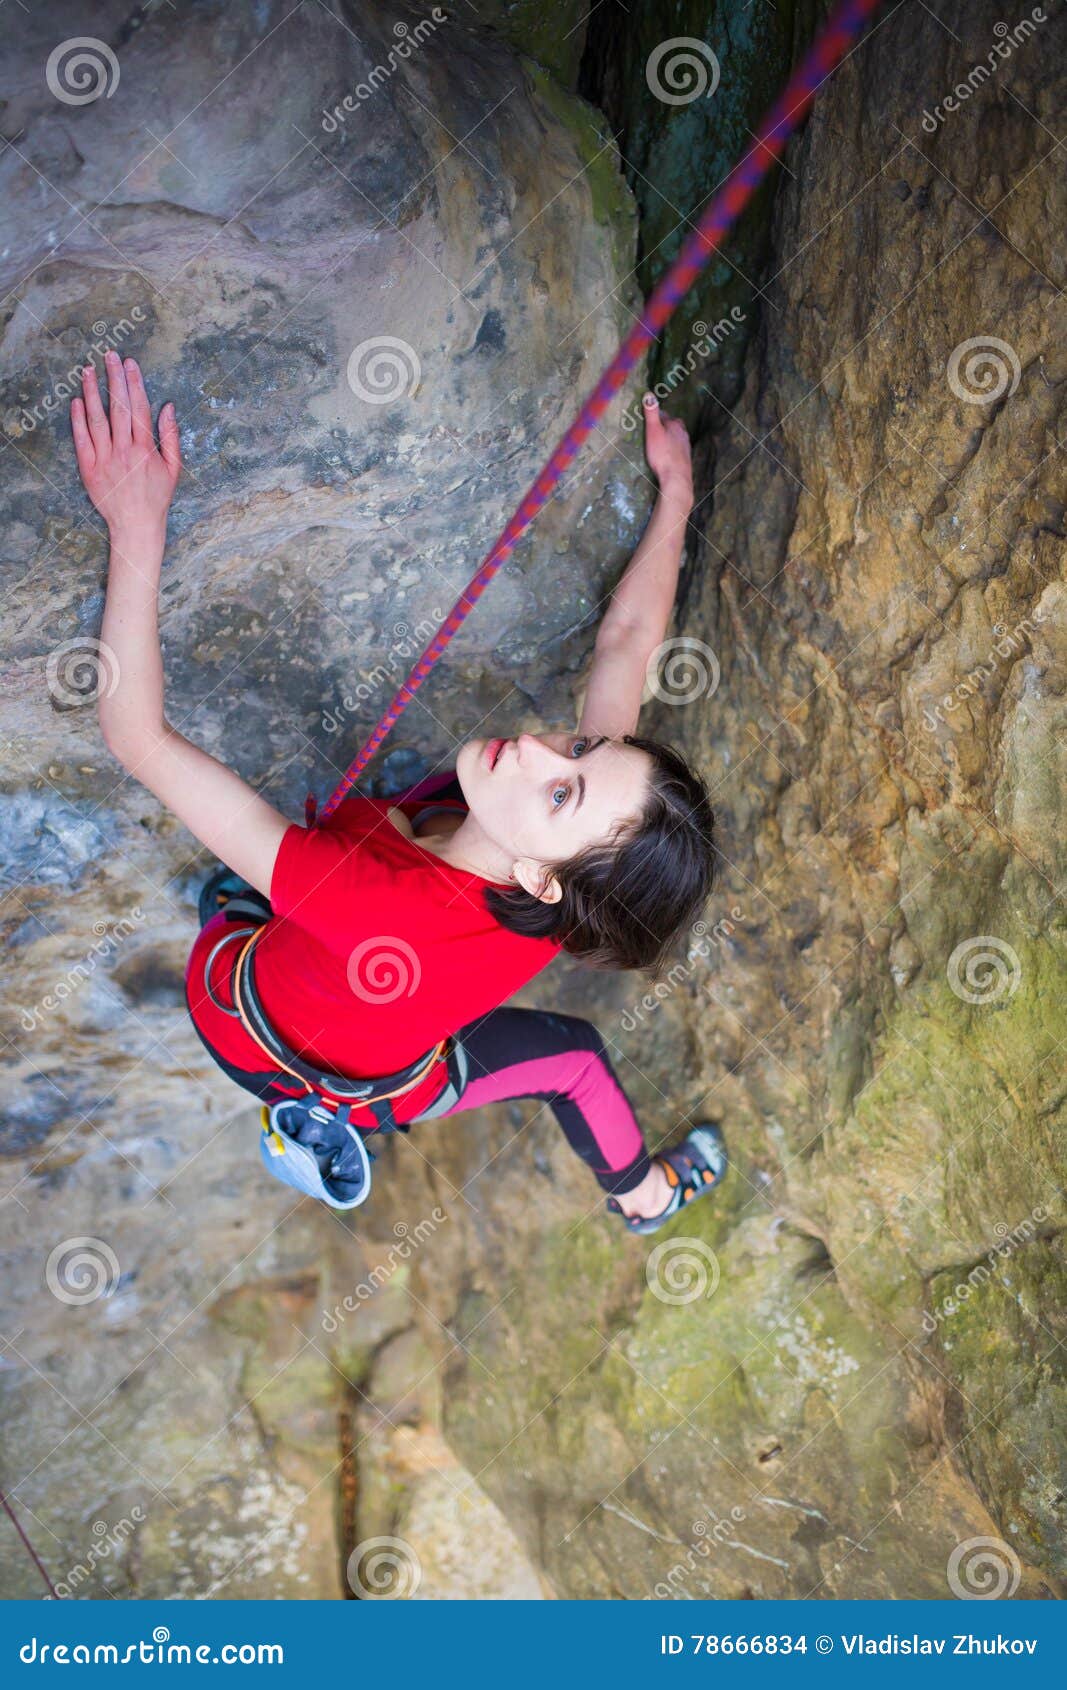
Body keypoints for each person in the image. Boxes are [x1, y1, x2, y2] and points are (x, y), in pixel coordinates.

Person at [69, 351, 727, 1233]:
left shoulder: (362, 896)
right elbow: (627, 642)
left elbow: (138, 738)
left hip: (244, 1019)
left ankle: (644, 1199)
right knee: (569, 1056)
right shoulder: (576, 880)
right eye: (580, 747)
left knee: (237, 892)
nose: (537, 749)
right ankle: (639, 1194)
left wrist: (136, 524)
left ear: (543, 880)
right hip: (373, 1034)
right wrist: (676, 495)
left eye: (560, 794)